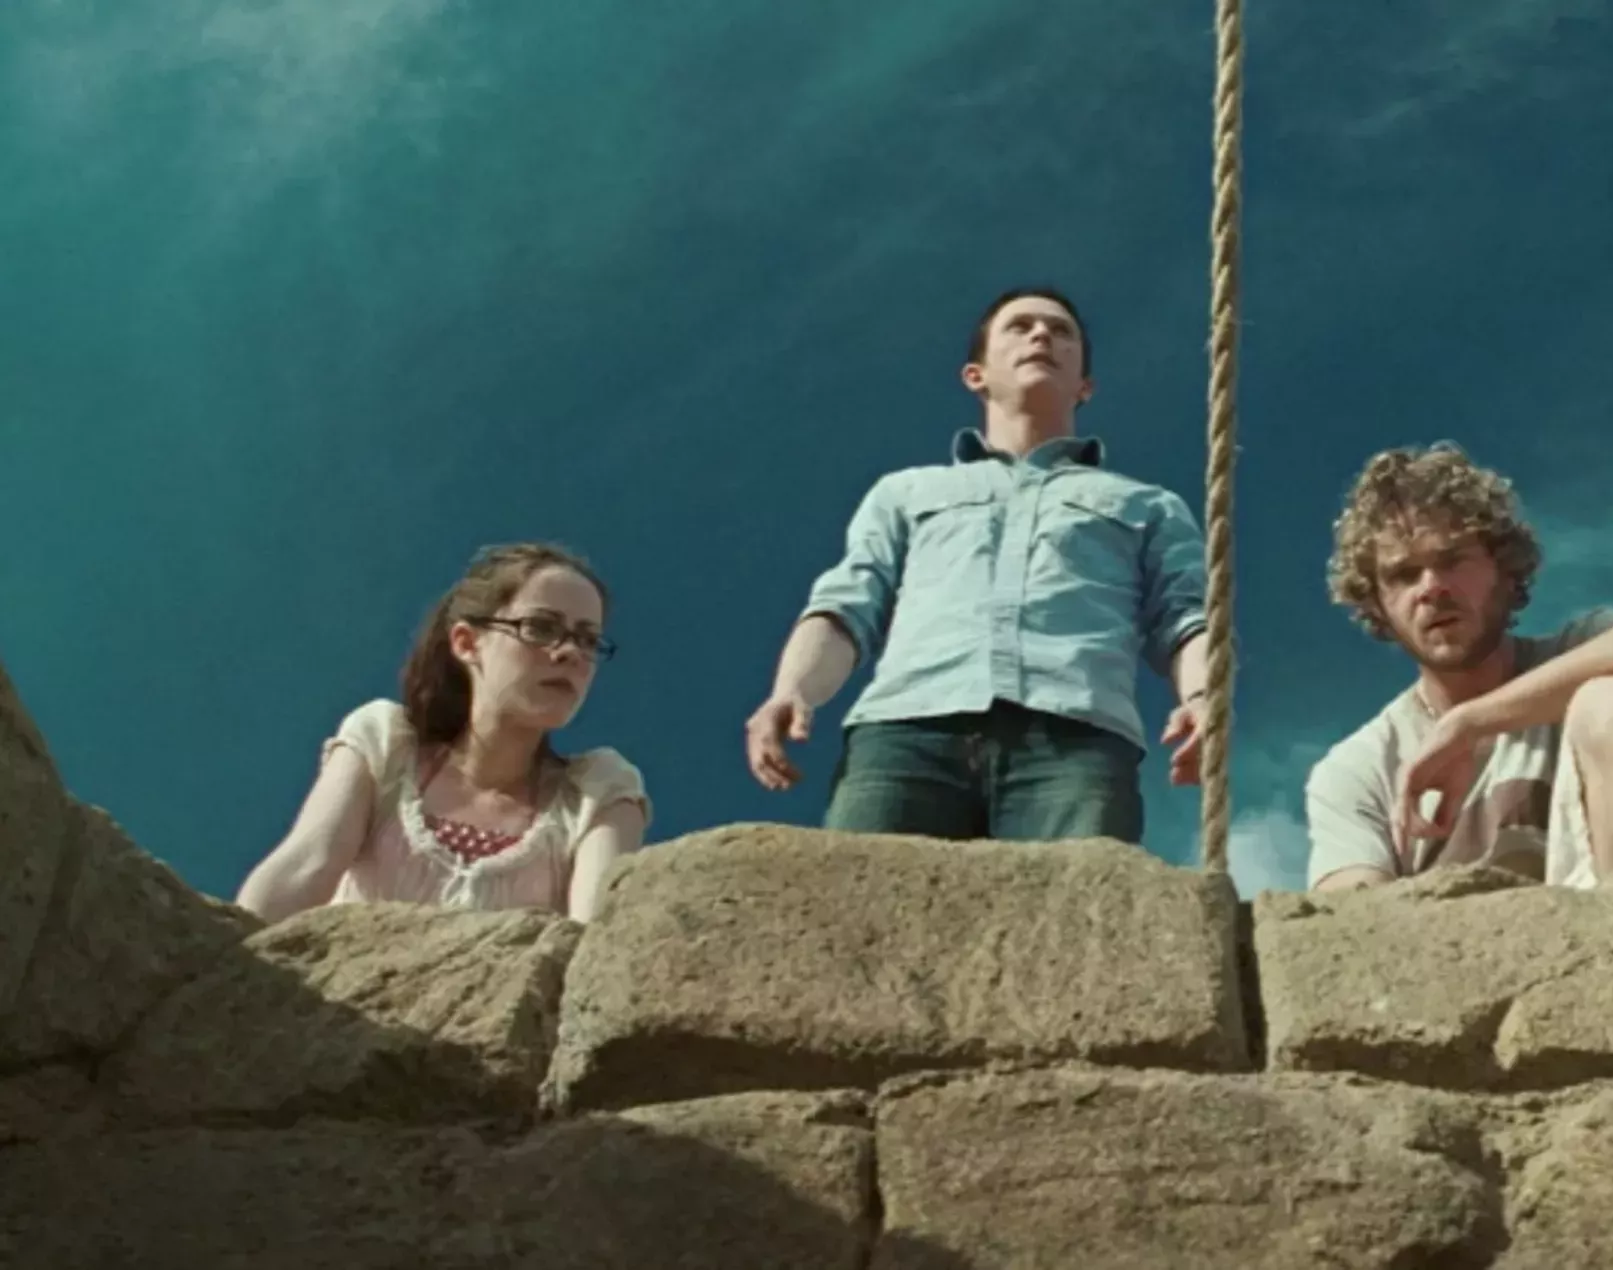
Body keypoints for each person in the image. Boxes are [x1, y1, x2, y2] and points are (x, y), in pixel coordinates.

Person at [743, 287, 1210, 844]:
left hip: (1076, 743)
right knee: (861, 896)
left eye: (1061, 331)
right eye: (1021, 326)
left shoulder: (1149, 505)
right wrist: (791, 691)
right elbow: (849, 602)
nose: (1042, 335)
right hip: (904, 736)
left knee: (1075, 900)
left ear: (1084, 386)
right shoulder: (906, 492)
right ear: (975, 375)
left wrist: (1202, 699)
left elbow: (1185, 617)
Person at [1304, 442, 1613, 892]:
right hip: (1477, 937)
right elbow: (1349, 903)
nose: (1431, 588)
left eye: (1453, 560)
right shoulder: (1361, 767)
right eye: (1404, 575)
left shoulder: (1581, 649)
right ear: (1378, 606)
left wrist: (1470, 723)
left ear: (1505, 570)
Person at [236, 542, 650, 923]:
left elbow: (596, 936)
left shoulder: (596, 792)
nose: (571, 652)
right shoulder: (386, 743)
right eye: (541, 627)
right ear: (467, 643)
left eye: (588, 640)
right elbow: (306, 864)